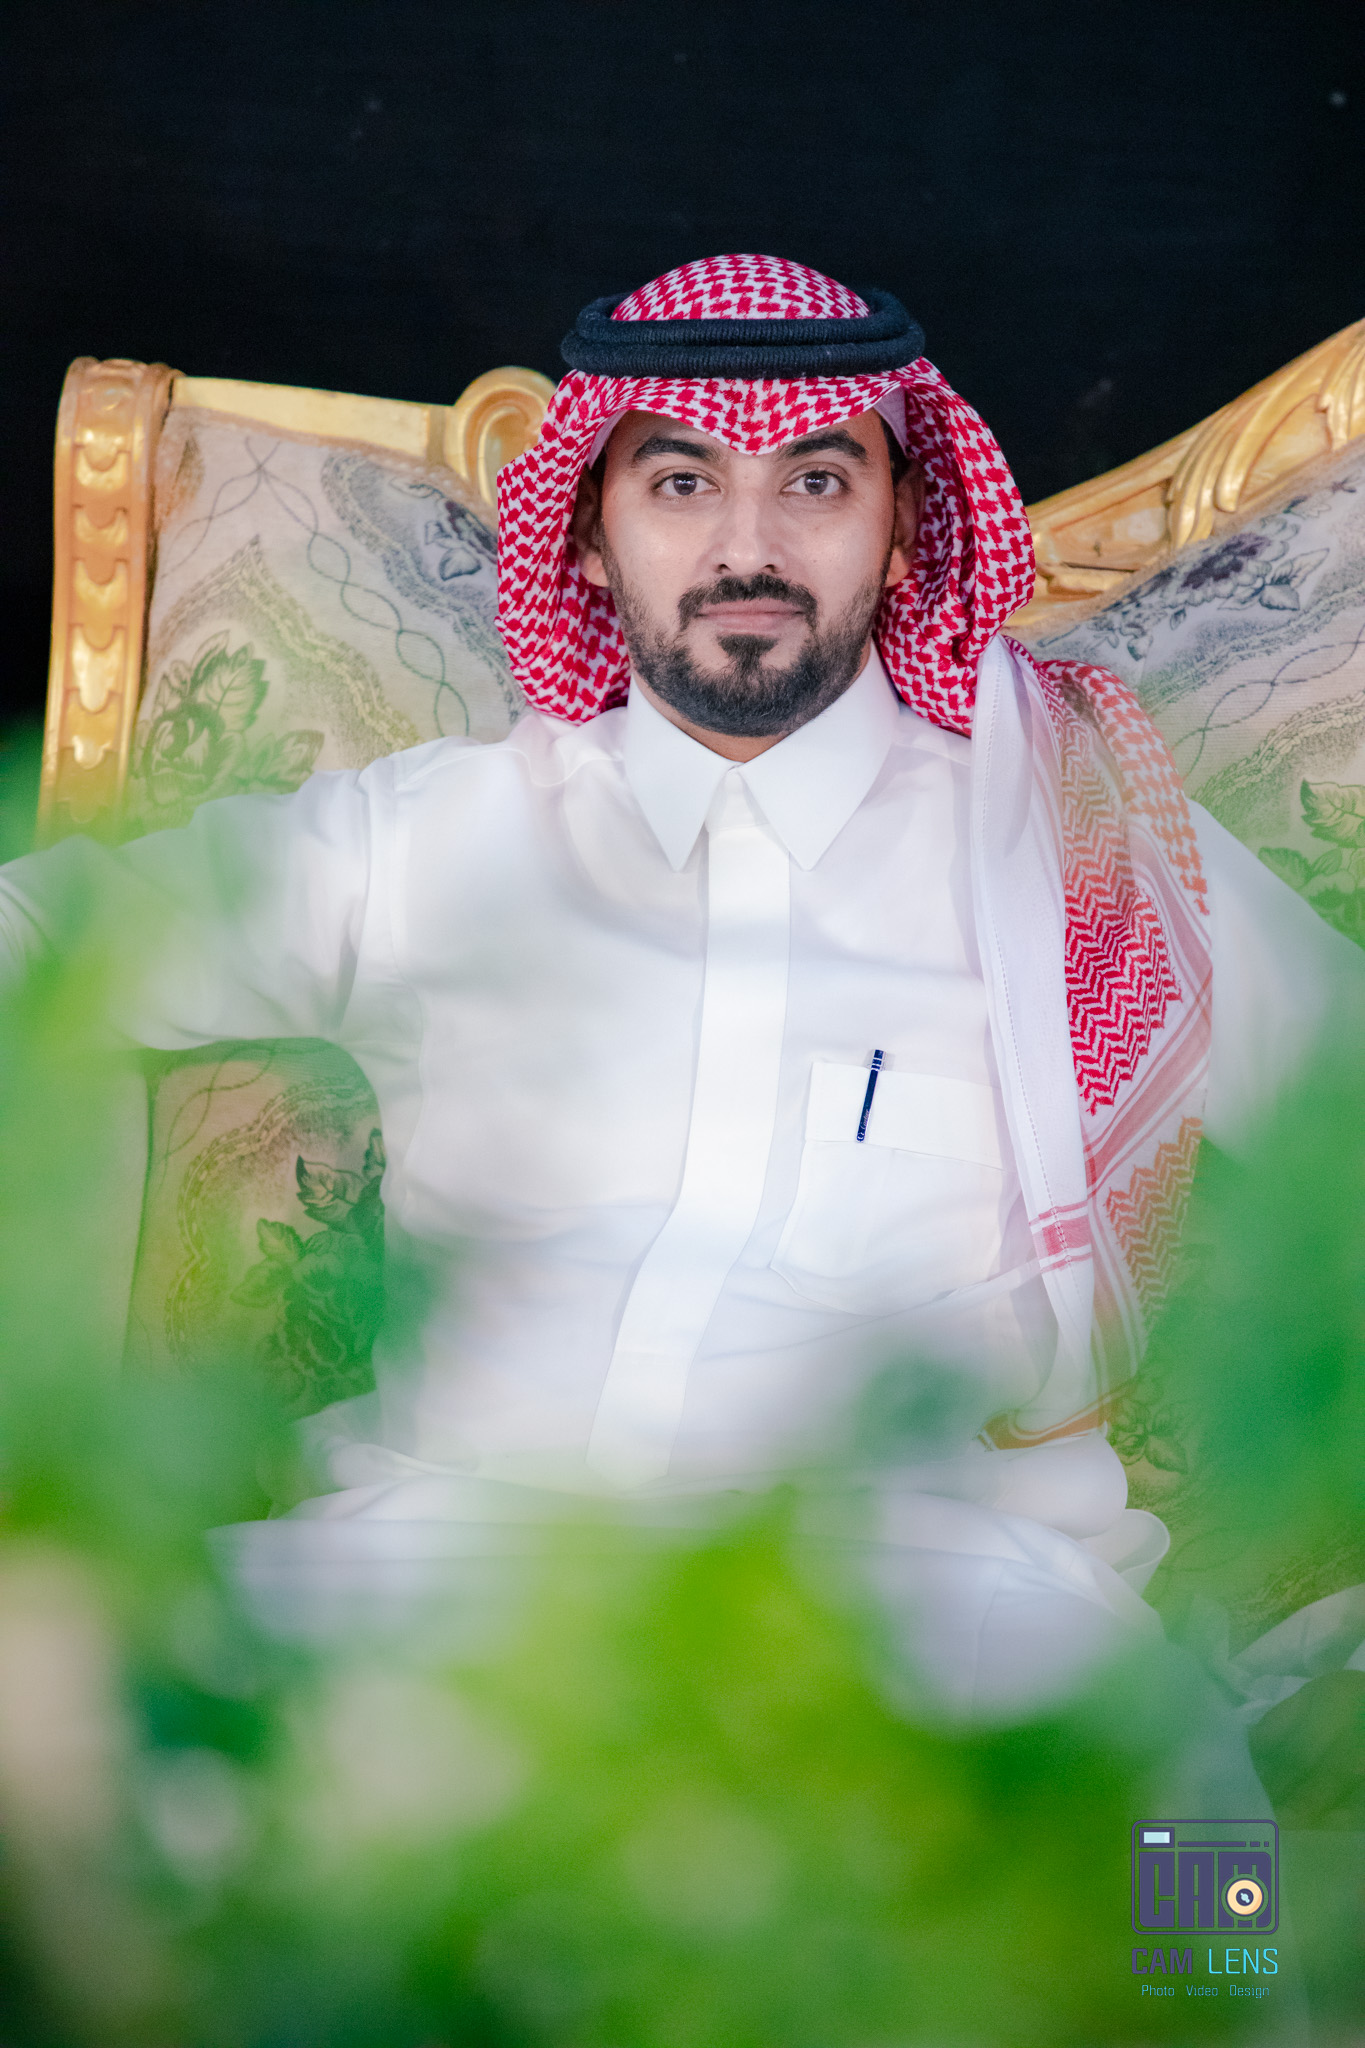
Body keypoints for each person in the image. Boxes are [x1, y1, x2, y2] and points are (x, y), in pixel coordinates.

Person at [1, 255, 1358, 1713]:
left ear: (907, 525)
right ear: (591, 533)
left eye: (816, 483)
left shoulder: (1079, 848)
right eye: (682, 484)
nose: (746, 549)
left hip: (936, 1618)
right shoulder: (435, 840)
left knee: (1181, 1856)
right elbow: (50, 935)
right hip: (432, 1581)